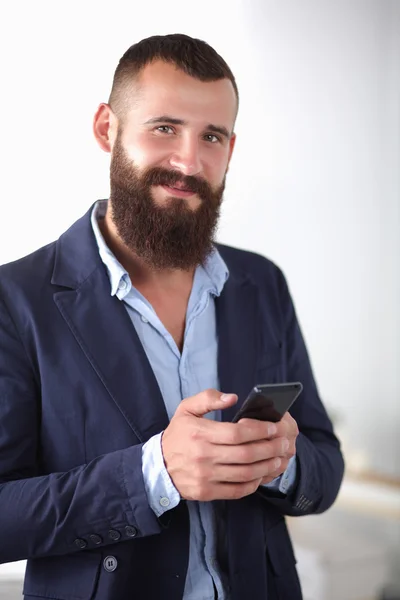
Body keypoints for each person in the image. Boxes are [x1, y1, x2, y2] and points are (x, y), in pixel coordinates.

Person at [0, 33, 344, 600]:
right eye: (165, 128)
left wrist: (279, 462)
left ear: (230, 149)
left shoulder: (262, 283)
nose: (189, 162)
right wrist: (153, 474)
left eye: (211, 136)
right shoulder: (16, 300)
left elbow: (324, 467)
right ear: (107, 129)